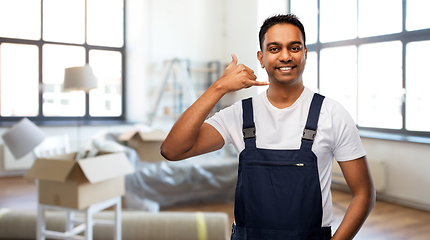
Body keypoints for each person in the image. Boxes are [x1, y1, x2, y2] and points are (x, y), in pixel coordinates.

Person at [161, 14, 375, 240]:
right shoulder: (240, 114)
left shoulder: (332, 114)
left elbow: (364, 194)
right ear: (261, 58)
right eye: (274, 49)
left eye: (294, 47)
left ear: (305, 54)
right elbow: (172, 150)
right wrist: (219, 87)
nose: (285, 56)